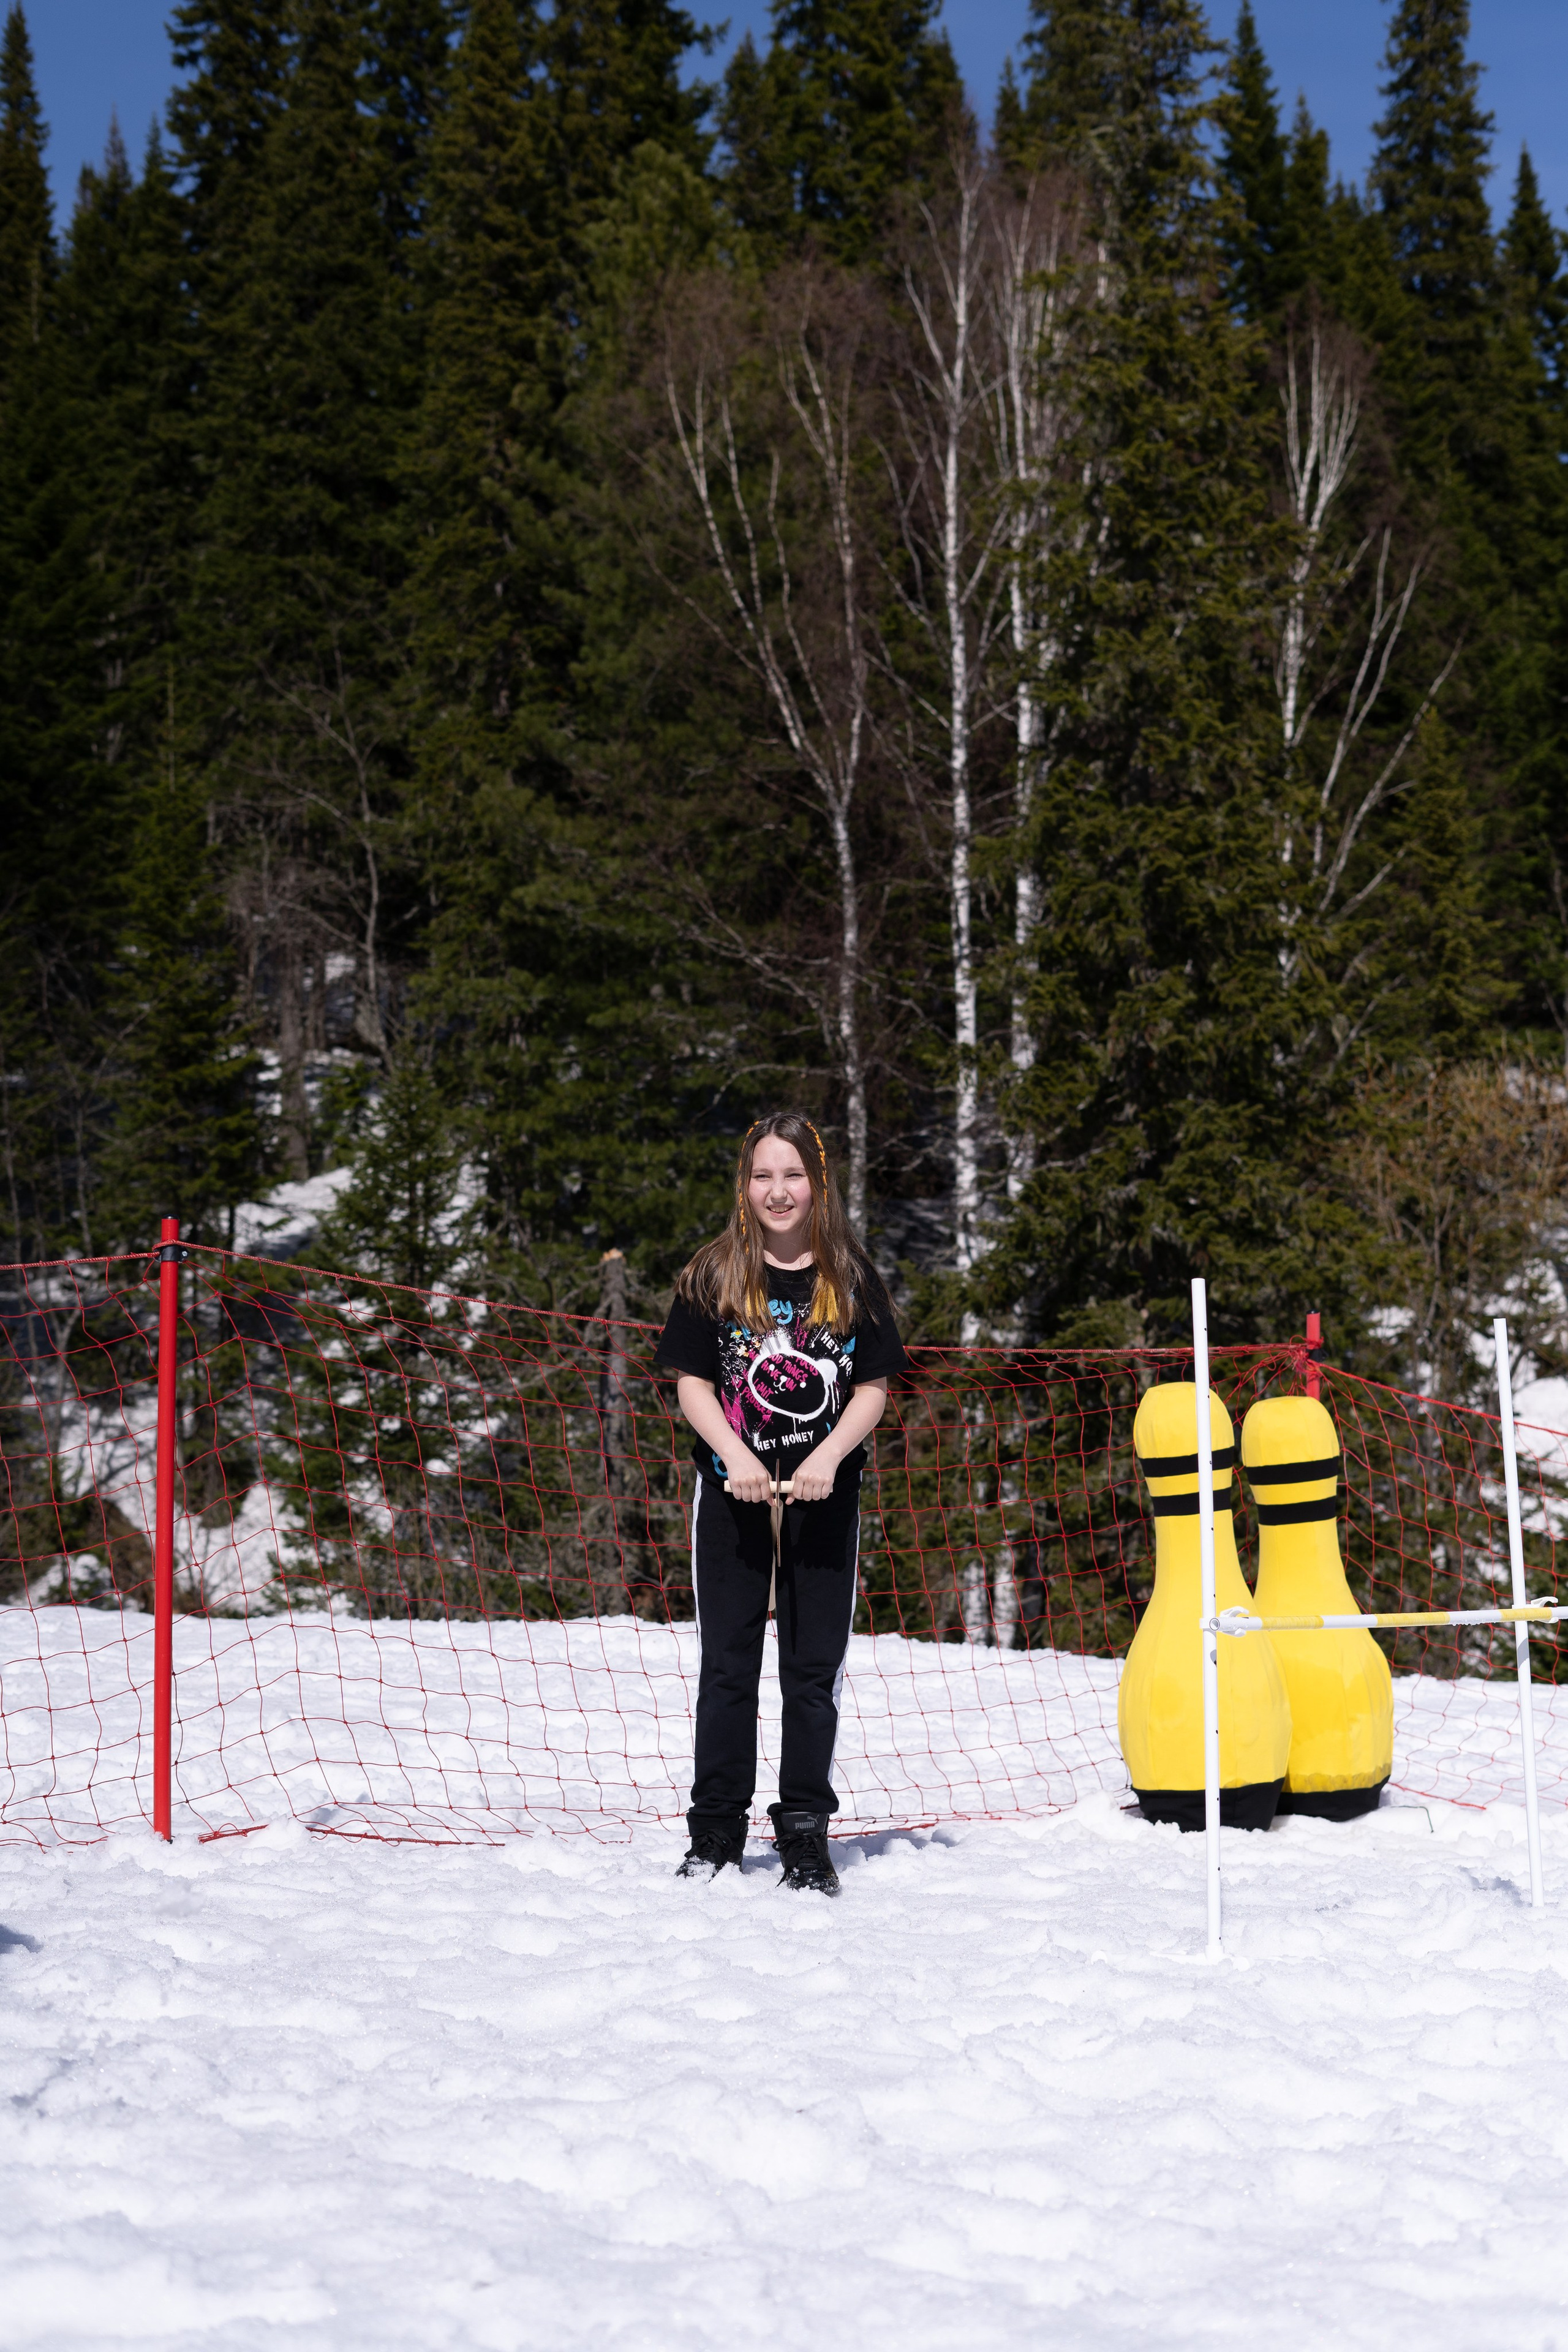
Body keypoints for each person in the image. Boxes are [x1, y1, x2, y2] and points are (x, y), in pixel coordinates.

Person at [655, 1112, 907, 1896]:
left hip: (823, 1499)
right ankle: (716, 1830)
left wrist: (830, 1456)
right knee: (727, 1666)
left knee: (811, 1670)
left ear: (817, 1185)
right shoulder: (713, 1274)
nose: (778, 1191)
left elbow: (872, 1387)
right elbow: (692, 1381)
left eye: (793, 1175)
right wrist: (733, 1457)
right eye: (763, 1175)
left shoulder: (850, 1277)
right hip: (732, 1496)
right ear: (745, 1185)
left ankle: (803, 1831)